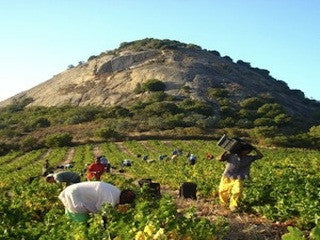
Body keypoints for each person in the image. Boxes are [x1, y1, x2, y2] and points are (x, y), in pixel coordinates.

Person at [58, 181, 136, 222]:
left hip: (74, 190)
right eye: (125, 203)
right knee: (81, 220)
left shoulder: (116, 191)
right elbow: (103, 213)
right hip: (75, 195)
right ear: (124, 200)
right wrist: (105, 225)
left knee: (72, 211)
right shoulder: (111, 198)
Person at [217, 143, 263, 212]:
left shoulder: (249, 158)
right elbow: (219, 159)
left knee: (238, 191)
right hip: (227, 176)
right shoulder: (231, 155)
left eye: (249, 151)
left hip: (239, 177)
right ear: (242, 150)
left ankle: (233, 205)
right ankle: (223, 204)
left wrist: (255, 149)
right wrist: (226, 150)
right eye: (247, 151)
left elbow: (260, 156)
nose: (248, 152)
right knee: (222, 191)